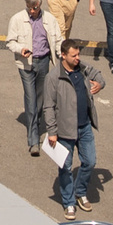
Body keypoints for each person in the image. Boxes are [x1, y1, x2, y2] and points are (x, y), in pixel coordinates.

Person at [39, 37, 102, 212]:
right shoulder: (53, 77)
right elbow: (48, 106)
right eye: (74, 55)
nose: (78, 58)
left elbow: (98, 74)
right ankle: (68, 202)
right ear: (63, 56)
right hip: (64, 131)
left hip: (85, 126)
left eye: (78, 54)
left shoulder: (82, 68)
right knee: (65, 167)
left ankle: (80, 192)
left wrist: (99, 84)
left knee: (90, 161)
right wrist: (52, 131)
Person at [6, 0, 57, 156]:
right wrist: (21, 49)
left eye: (34, 8)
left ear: (40, 4)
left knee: (40, 98)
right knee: (31, 99)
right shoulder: (17, 19)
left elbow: (58, 39)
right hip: (26, 64)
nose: (32, 11)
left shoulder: (49, 19)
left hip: (43, 62)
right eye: (29, 8)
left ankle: (36, 121)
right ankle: (33, 140)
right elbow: (10, 42)